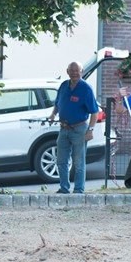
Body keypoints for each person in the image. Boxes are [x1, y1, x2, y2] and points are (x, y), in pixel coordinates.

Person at [46, 61, 99, 194]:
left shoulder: (86, 88)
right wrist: (53, 115)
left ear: (81, 72)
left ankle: (78, 191)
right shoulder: (64, 85)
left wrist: (90, 130)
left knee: (79, 162)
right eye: (72, 70)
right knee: (61, 161)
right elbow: (58, 103)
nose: (75, 73)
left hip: (79, 130)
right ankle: (64, 188)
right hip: (63, 129)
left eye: (77, 71)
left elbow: (94, 112)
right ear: (67, 71)